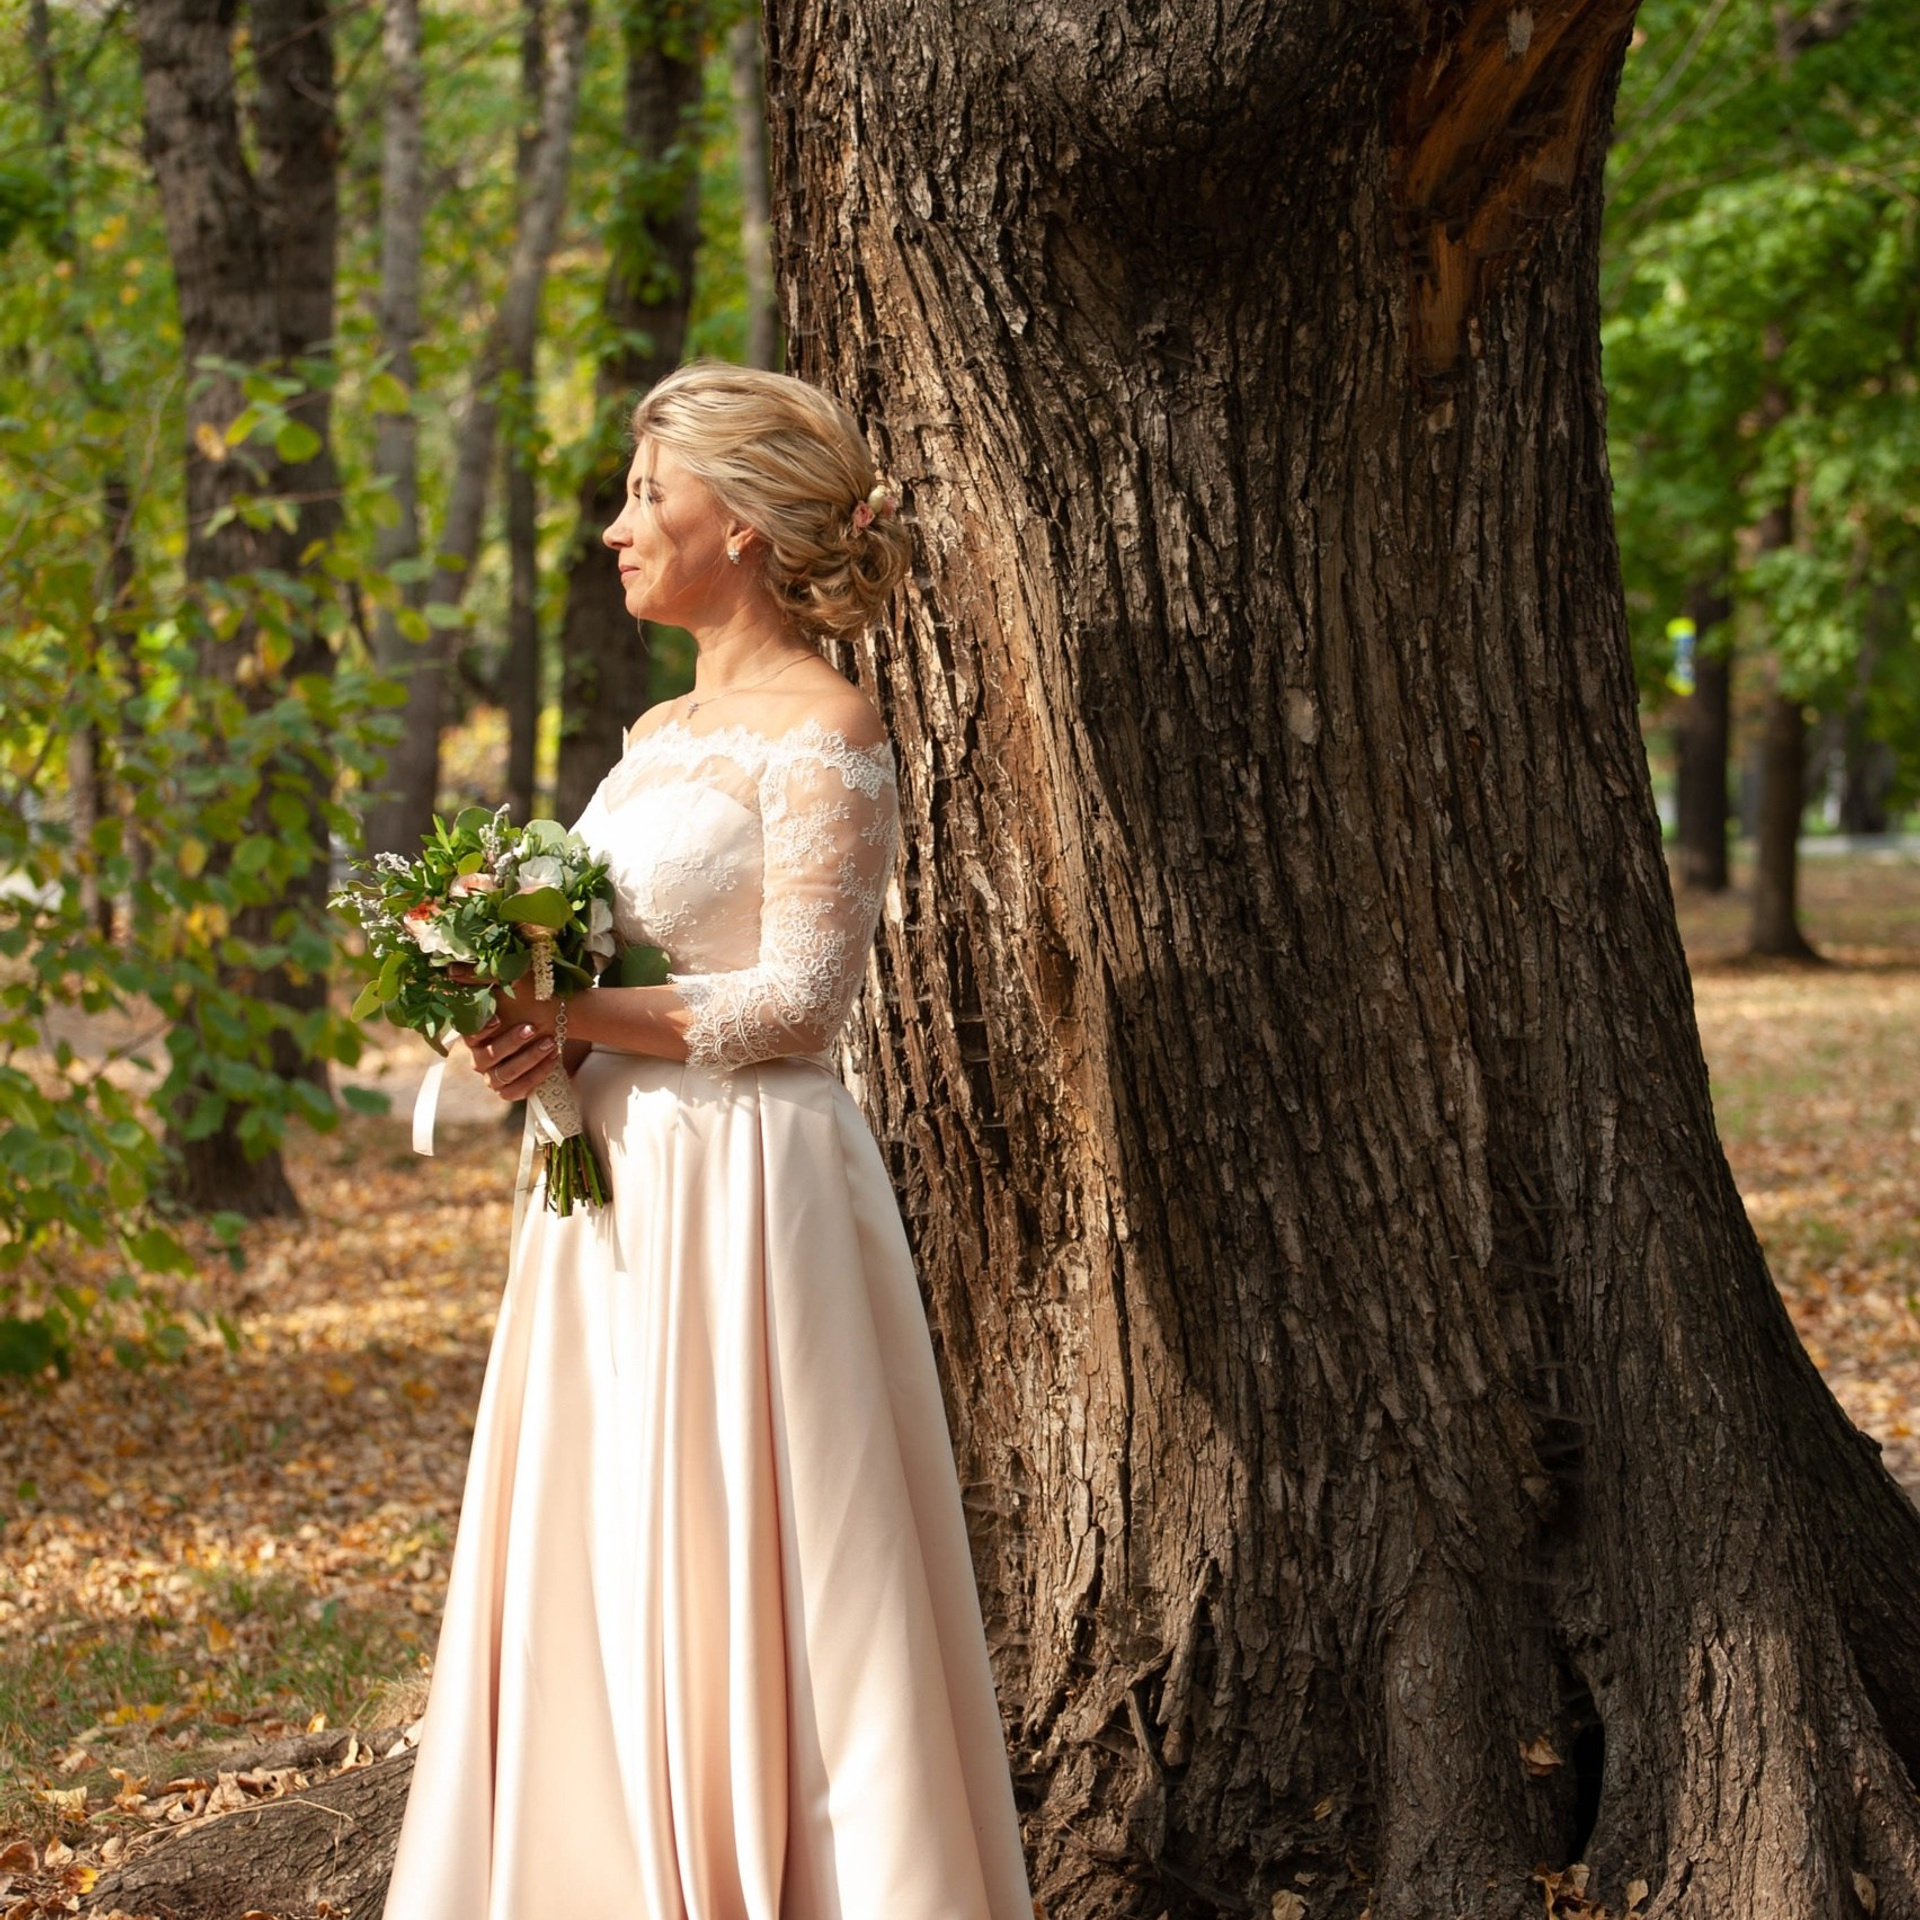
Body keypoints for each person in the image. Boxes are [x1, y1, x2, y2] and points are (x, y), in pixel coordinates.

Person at [382, 362, 1035, 1919]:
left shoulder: (828, 728)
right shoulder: (659, 724)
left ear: (737, 526)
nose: (616, 529)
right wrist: (527, 1031)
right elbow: (622, 971)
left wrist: (571, 1004)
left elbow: (804, 999)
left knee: (766, 1551)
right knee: (607, 1540)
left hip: (752, 1192)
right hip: (608, 1193)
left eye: (644, 498)